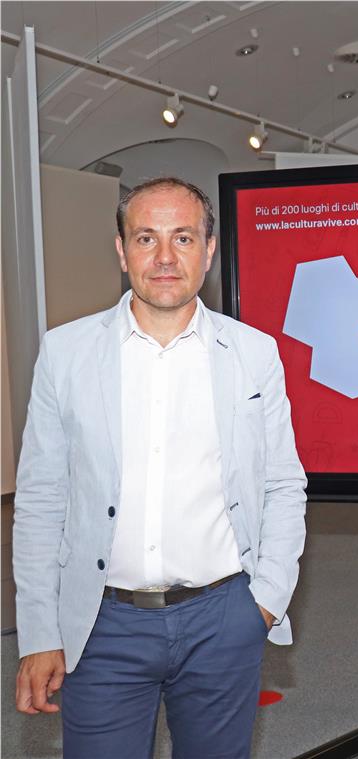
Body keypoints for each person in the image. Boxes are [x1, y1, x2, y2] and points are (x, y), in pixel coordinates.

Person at [12, 177, 308, 758]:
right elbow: (43, 498)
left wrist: (265, 600)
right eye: (146, 238)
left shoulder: (253, 353)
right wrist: (41, 632)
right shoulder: (66, 353)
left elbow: (283, 482)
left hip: (224, 618)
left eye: (184, 238)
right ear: (122, 251)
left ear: (209, 250)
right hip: (102, 626)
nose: (166, 257)